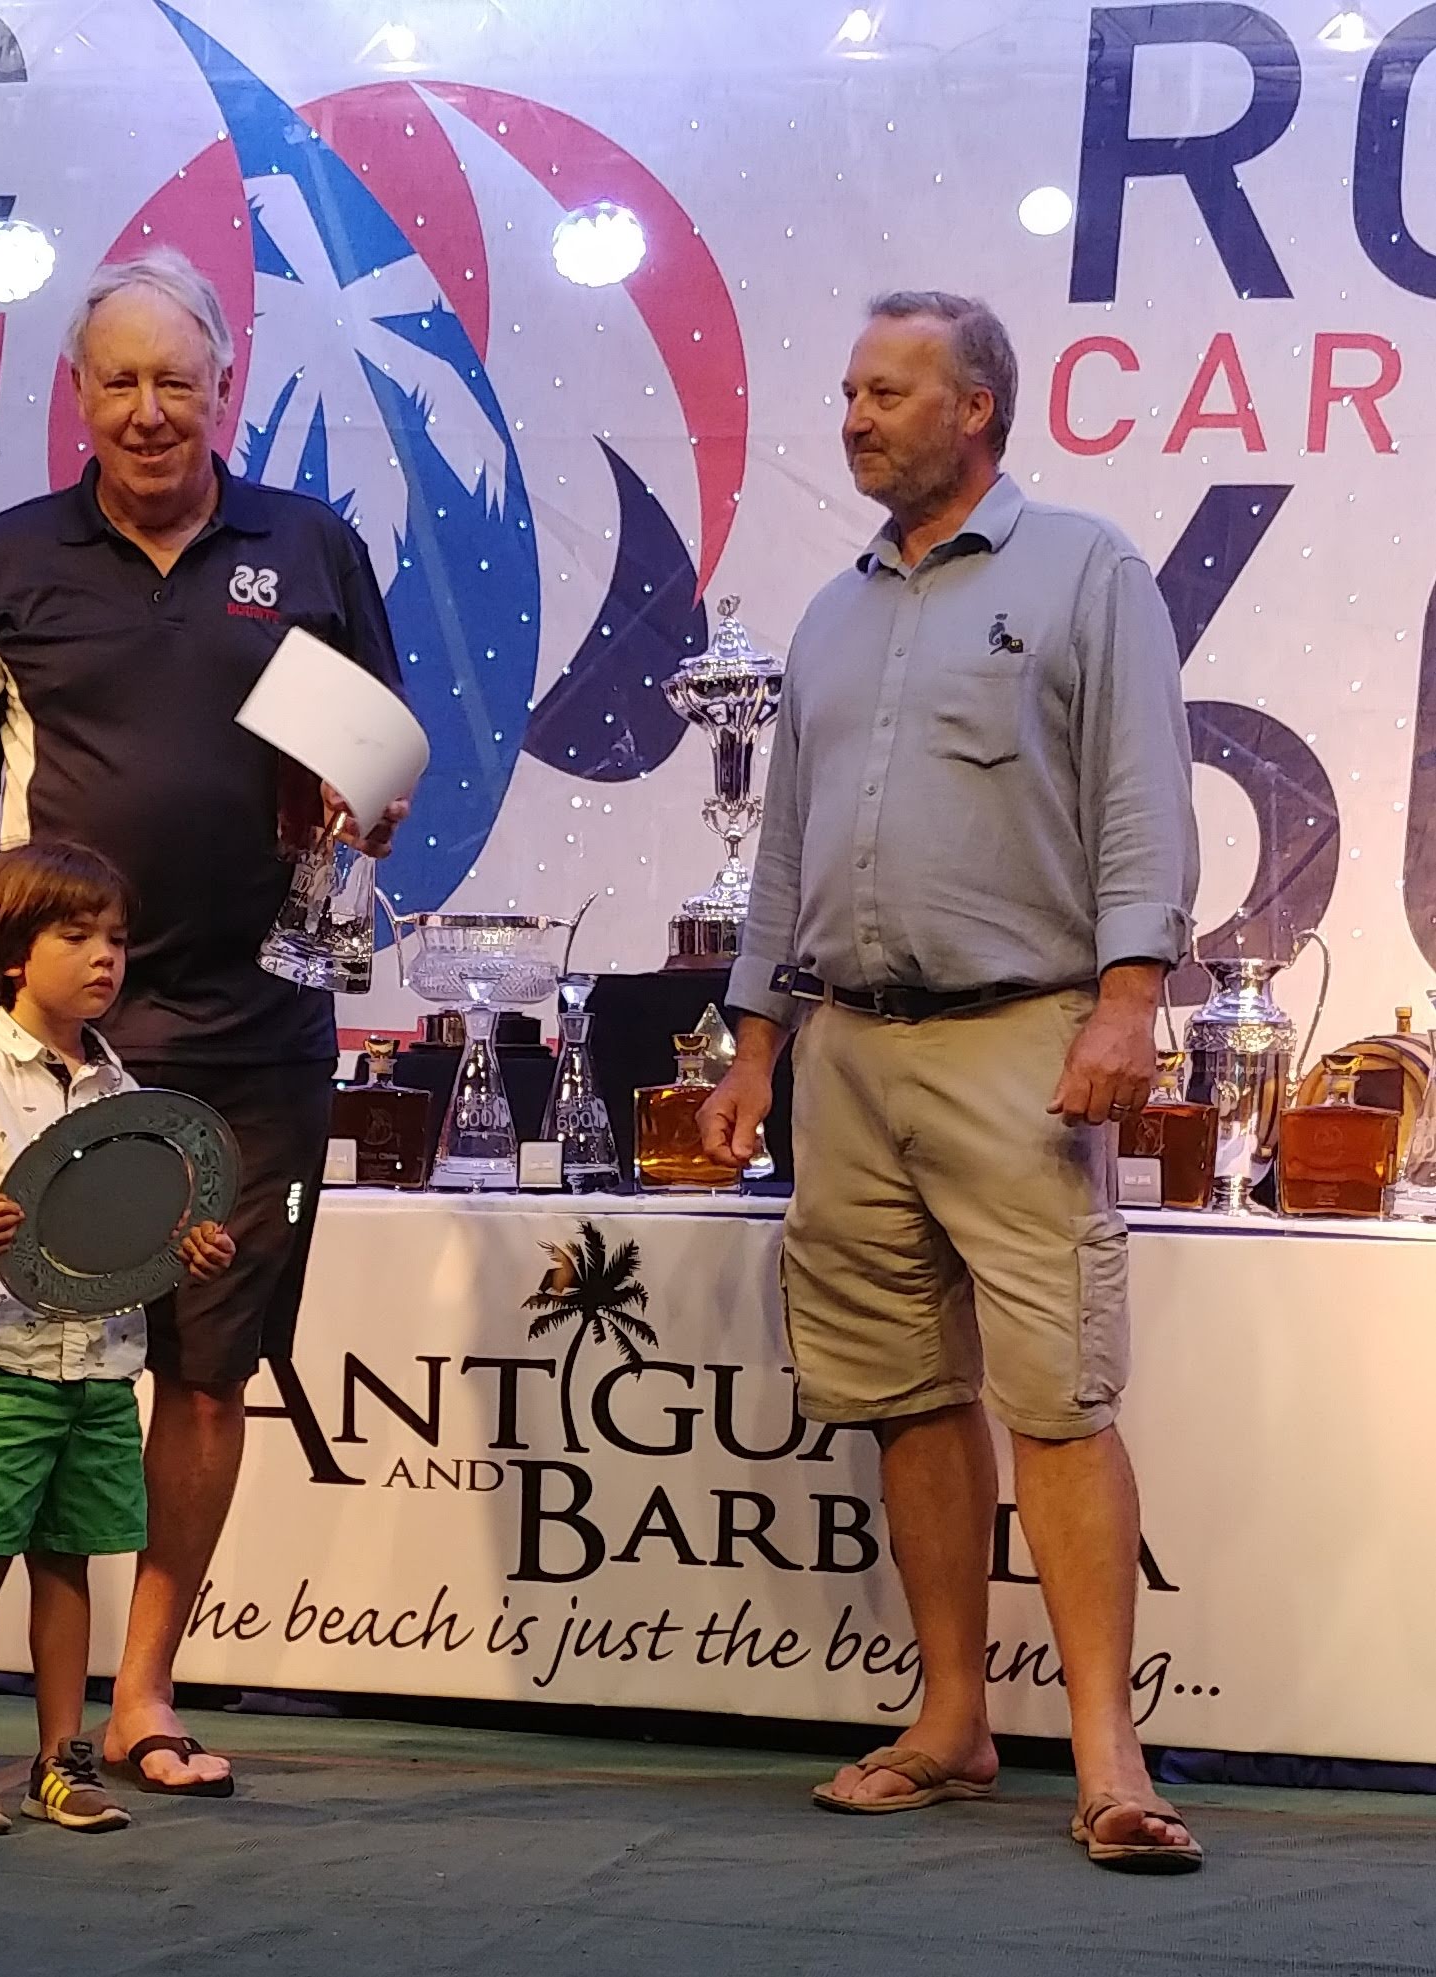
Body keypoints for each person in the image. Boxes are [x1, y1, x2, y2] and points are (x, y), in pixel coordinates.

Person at [0, 247, 407, 1799]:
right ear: (76, 394)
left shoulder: (314, 547)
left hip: (257, 1029)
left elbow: (381, 772)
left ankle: (144, 1694)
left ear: (225, 391)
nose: (147, 410)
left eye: (175, 382)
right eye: (118, 381)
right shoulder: (5, 565)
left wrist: (370, 807)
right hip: (46, 1049)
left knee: (206, 1369)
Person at [699, 291, 1204, 1871]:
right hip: (846, 1052)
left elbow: (1143, 796)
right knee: (904, 1392)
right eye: (850, 391)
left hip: (1021, 1038)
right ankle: (951, 1720)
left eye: (888, 393)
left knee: (1055, 1395)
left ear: (975, 407)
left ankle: (1109, 1756)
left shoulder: (1087, 570)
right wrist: (755, 1043)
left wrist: (1129, 999)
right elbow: (785, 849)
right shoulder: (830, 614)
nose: (854, 418)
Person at [0, 841, 235, 1835]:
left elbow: (128, 1229)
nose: (104, 957)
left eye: (115, 939)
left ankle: (59, 1758)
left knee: (69, 1564)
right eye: (76, 936)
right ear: (12, 955)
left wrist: (187, 1245)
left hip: (98, 1370)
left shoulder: (119, 1090)